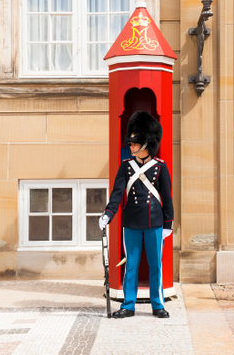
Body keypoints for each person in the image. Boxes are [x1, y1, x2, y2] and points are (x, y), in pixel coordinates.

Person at [98, 111, 174, 319]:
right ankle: (128, 304)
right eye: (130, 144)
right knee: (131, 264)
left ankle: (157, 304)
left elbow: (167, 197)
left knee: (155, 265)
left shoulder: (160, 167)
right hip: (131, 223)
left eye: (133, 144)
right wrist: (108, 214)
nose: (129, 147)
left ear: (145, 144)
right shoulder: (125, 167)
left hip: (154, 223)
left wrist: (168, 223)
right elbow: (117, 194)